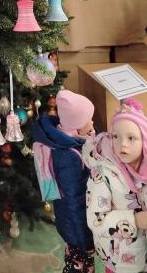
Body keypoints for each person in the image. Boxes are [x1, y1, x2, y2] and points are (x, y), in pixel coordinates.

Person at [83, 98, 147, 272]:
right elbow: (96, 220)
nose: (123, 144)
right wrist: (134, 220)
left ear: (144, 141)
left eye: (131, 138)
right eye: (116, 136)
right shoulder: (102, 174)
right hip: (120, 262)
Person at [32, 89, 96, 272]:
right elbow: (73, 201)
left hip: (73, 220)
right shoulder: (69, 157)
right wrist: (85, 236)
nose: (93, 123)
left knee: (76, 258)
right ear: (77, 127)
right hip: (78, 224)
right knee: (81, 263)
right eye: (89, 120)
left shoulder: (70, 139)